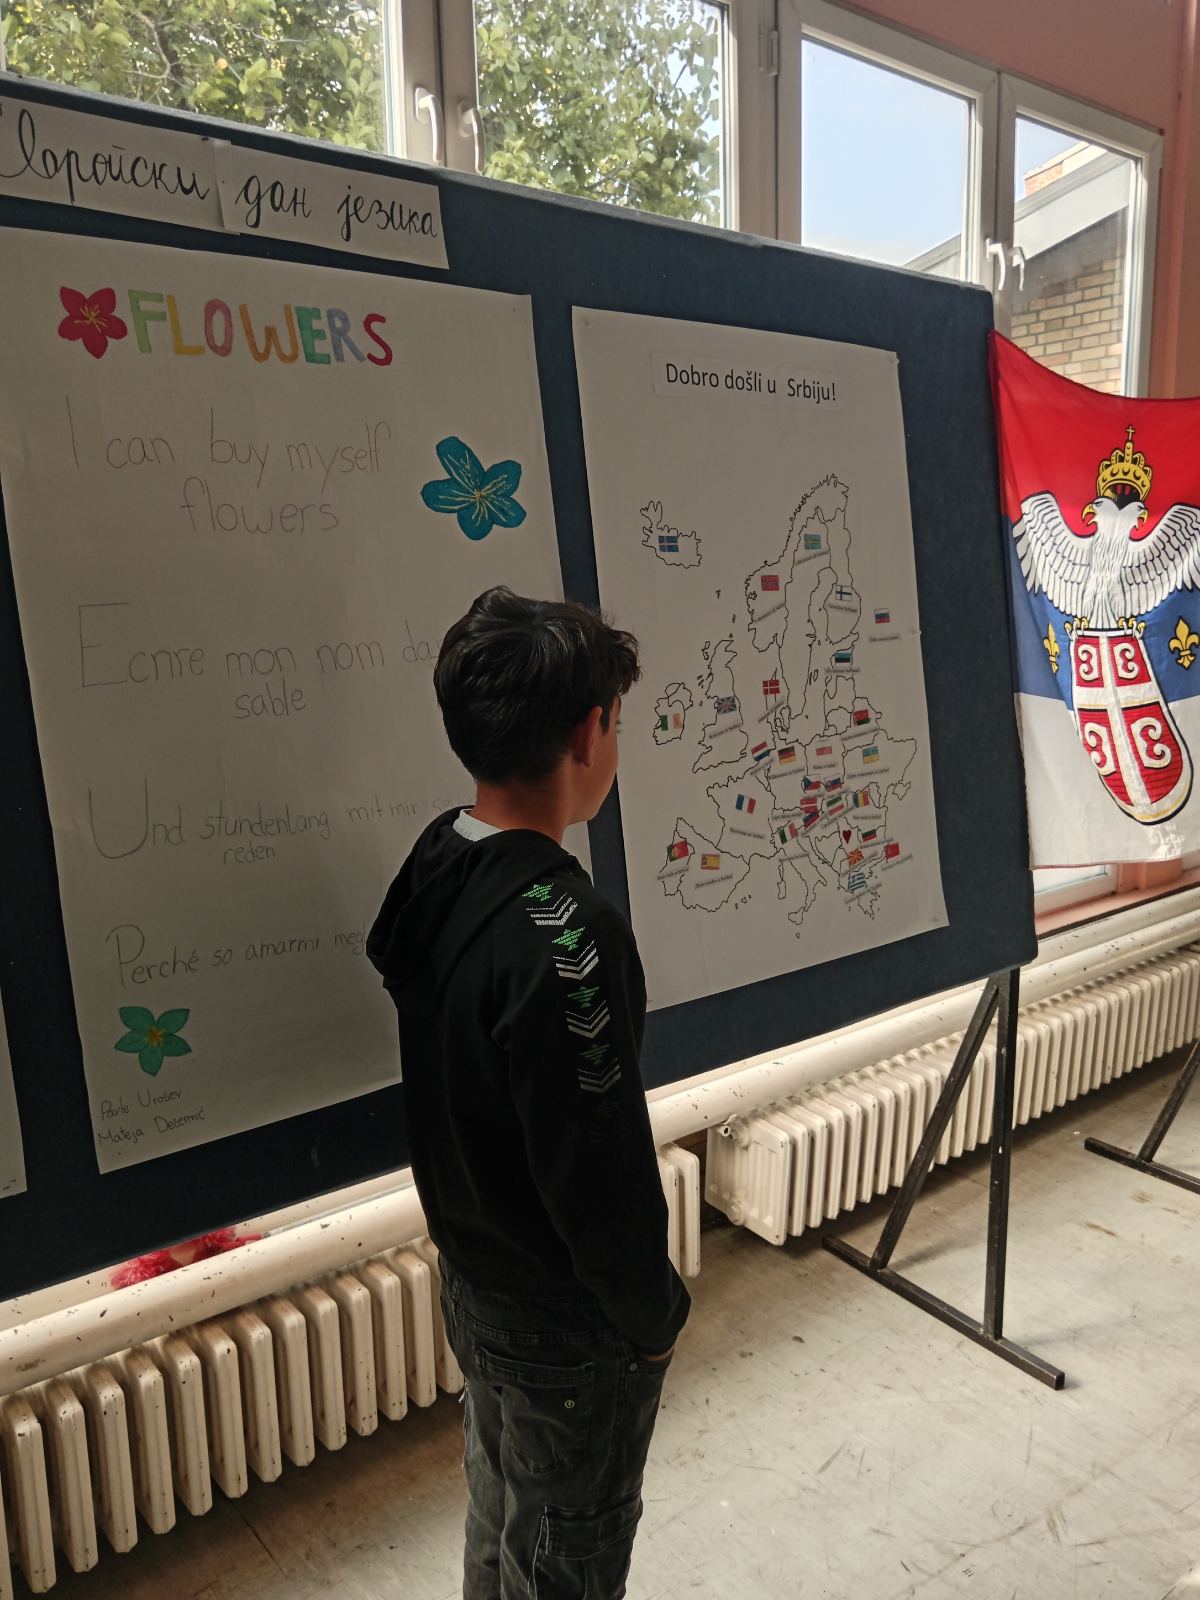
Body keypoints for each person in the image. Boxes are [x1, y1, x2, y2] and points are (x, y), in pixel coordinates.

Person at [368, 586, 691, 1600]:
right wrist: (654, 1316)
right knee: (564, 1554)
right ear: (590, 733)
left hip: (475, 1281)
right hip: (563, 1325)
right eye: (617, 722)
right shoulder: (568, 932)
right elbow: (597, 1174)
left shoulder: (439, 858)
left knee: (503, 1505)